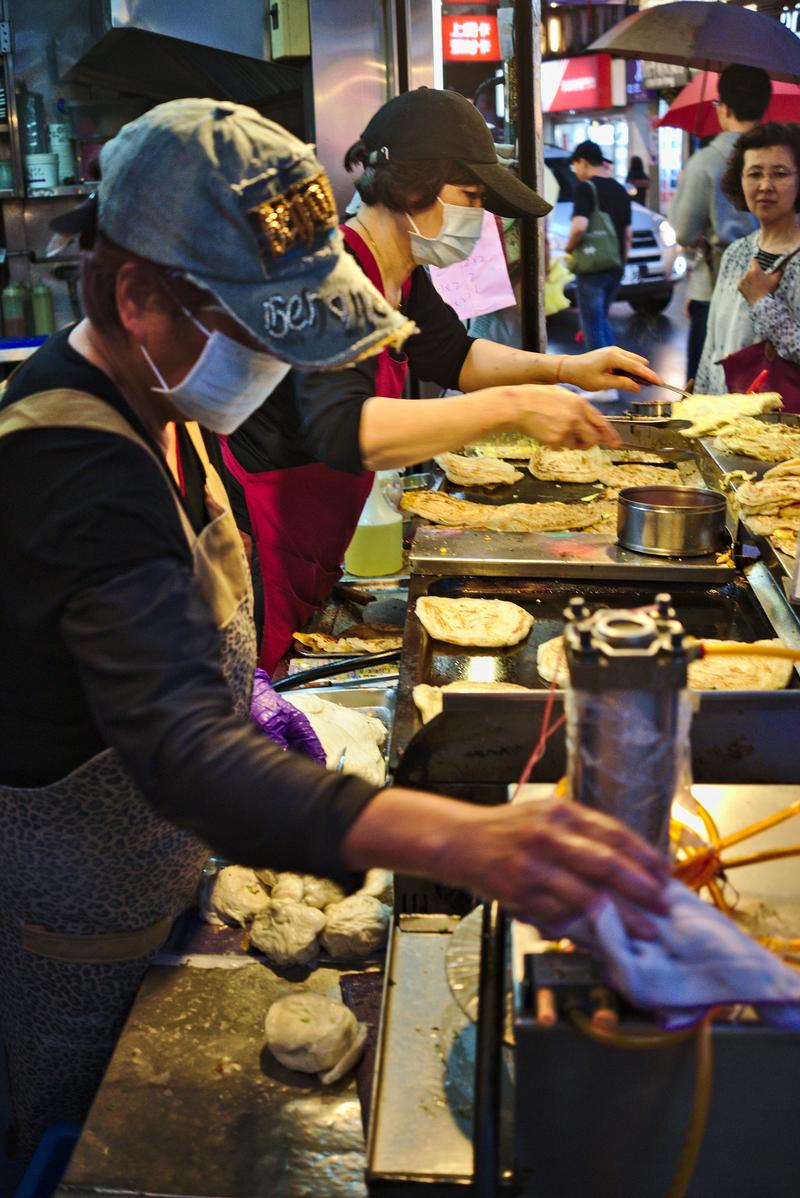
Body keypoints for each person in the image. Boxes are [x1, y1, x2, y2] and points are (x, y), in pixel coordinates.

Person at [0, 98, 668, 1162]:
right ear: (136, 298)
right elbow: (179, 750)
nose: (272, 354)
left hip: (154, 886)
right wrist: (457, 837)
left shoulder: (162, 412)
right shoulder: (71, 460)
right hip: (72, 932)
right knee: (83, 1151)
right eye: (252, 325)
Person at [224, 89, 661, 669]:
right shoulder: (331, 278)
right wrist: (512, 407)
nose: (477, 219)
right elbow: (346, 430)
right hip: (261, 546)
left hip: (314, 540)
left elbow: (454, 354)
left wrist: (566, 369)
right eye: (470, 196)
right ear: (410, 183)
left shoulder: (399, 274)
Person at [668, 64, 772, 382]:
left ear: (722, 107)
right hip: (771, 282)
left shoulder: (706, 162)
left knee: (708, 381)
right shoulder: (779, 157)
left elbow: (683, 230)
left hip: (714, 286)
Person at [696, 122, 800, 400]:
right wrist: (700, 398)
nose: (765, 186)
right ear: (739, 181)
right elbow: (713, 344)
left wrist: (762, 303)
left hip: (777, 431)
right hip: (723, 419)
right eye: (754, 174)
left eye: (780, 173)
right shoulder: (736, 252)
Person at [565, 140, 632, 353]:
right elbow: (628, 234)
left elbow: (579, 227)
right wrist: (621, 261)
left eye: (574, 166)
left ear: (583, 162)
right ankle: (615, 369)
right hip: (616, 266)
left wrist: (568, 248)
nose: (575, 171)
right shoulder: (620, 190)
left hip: (593, 267)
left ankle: (601, 382)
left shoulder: (585, 189)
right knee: (600, 321)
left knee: (592, 326)